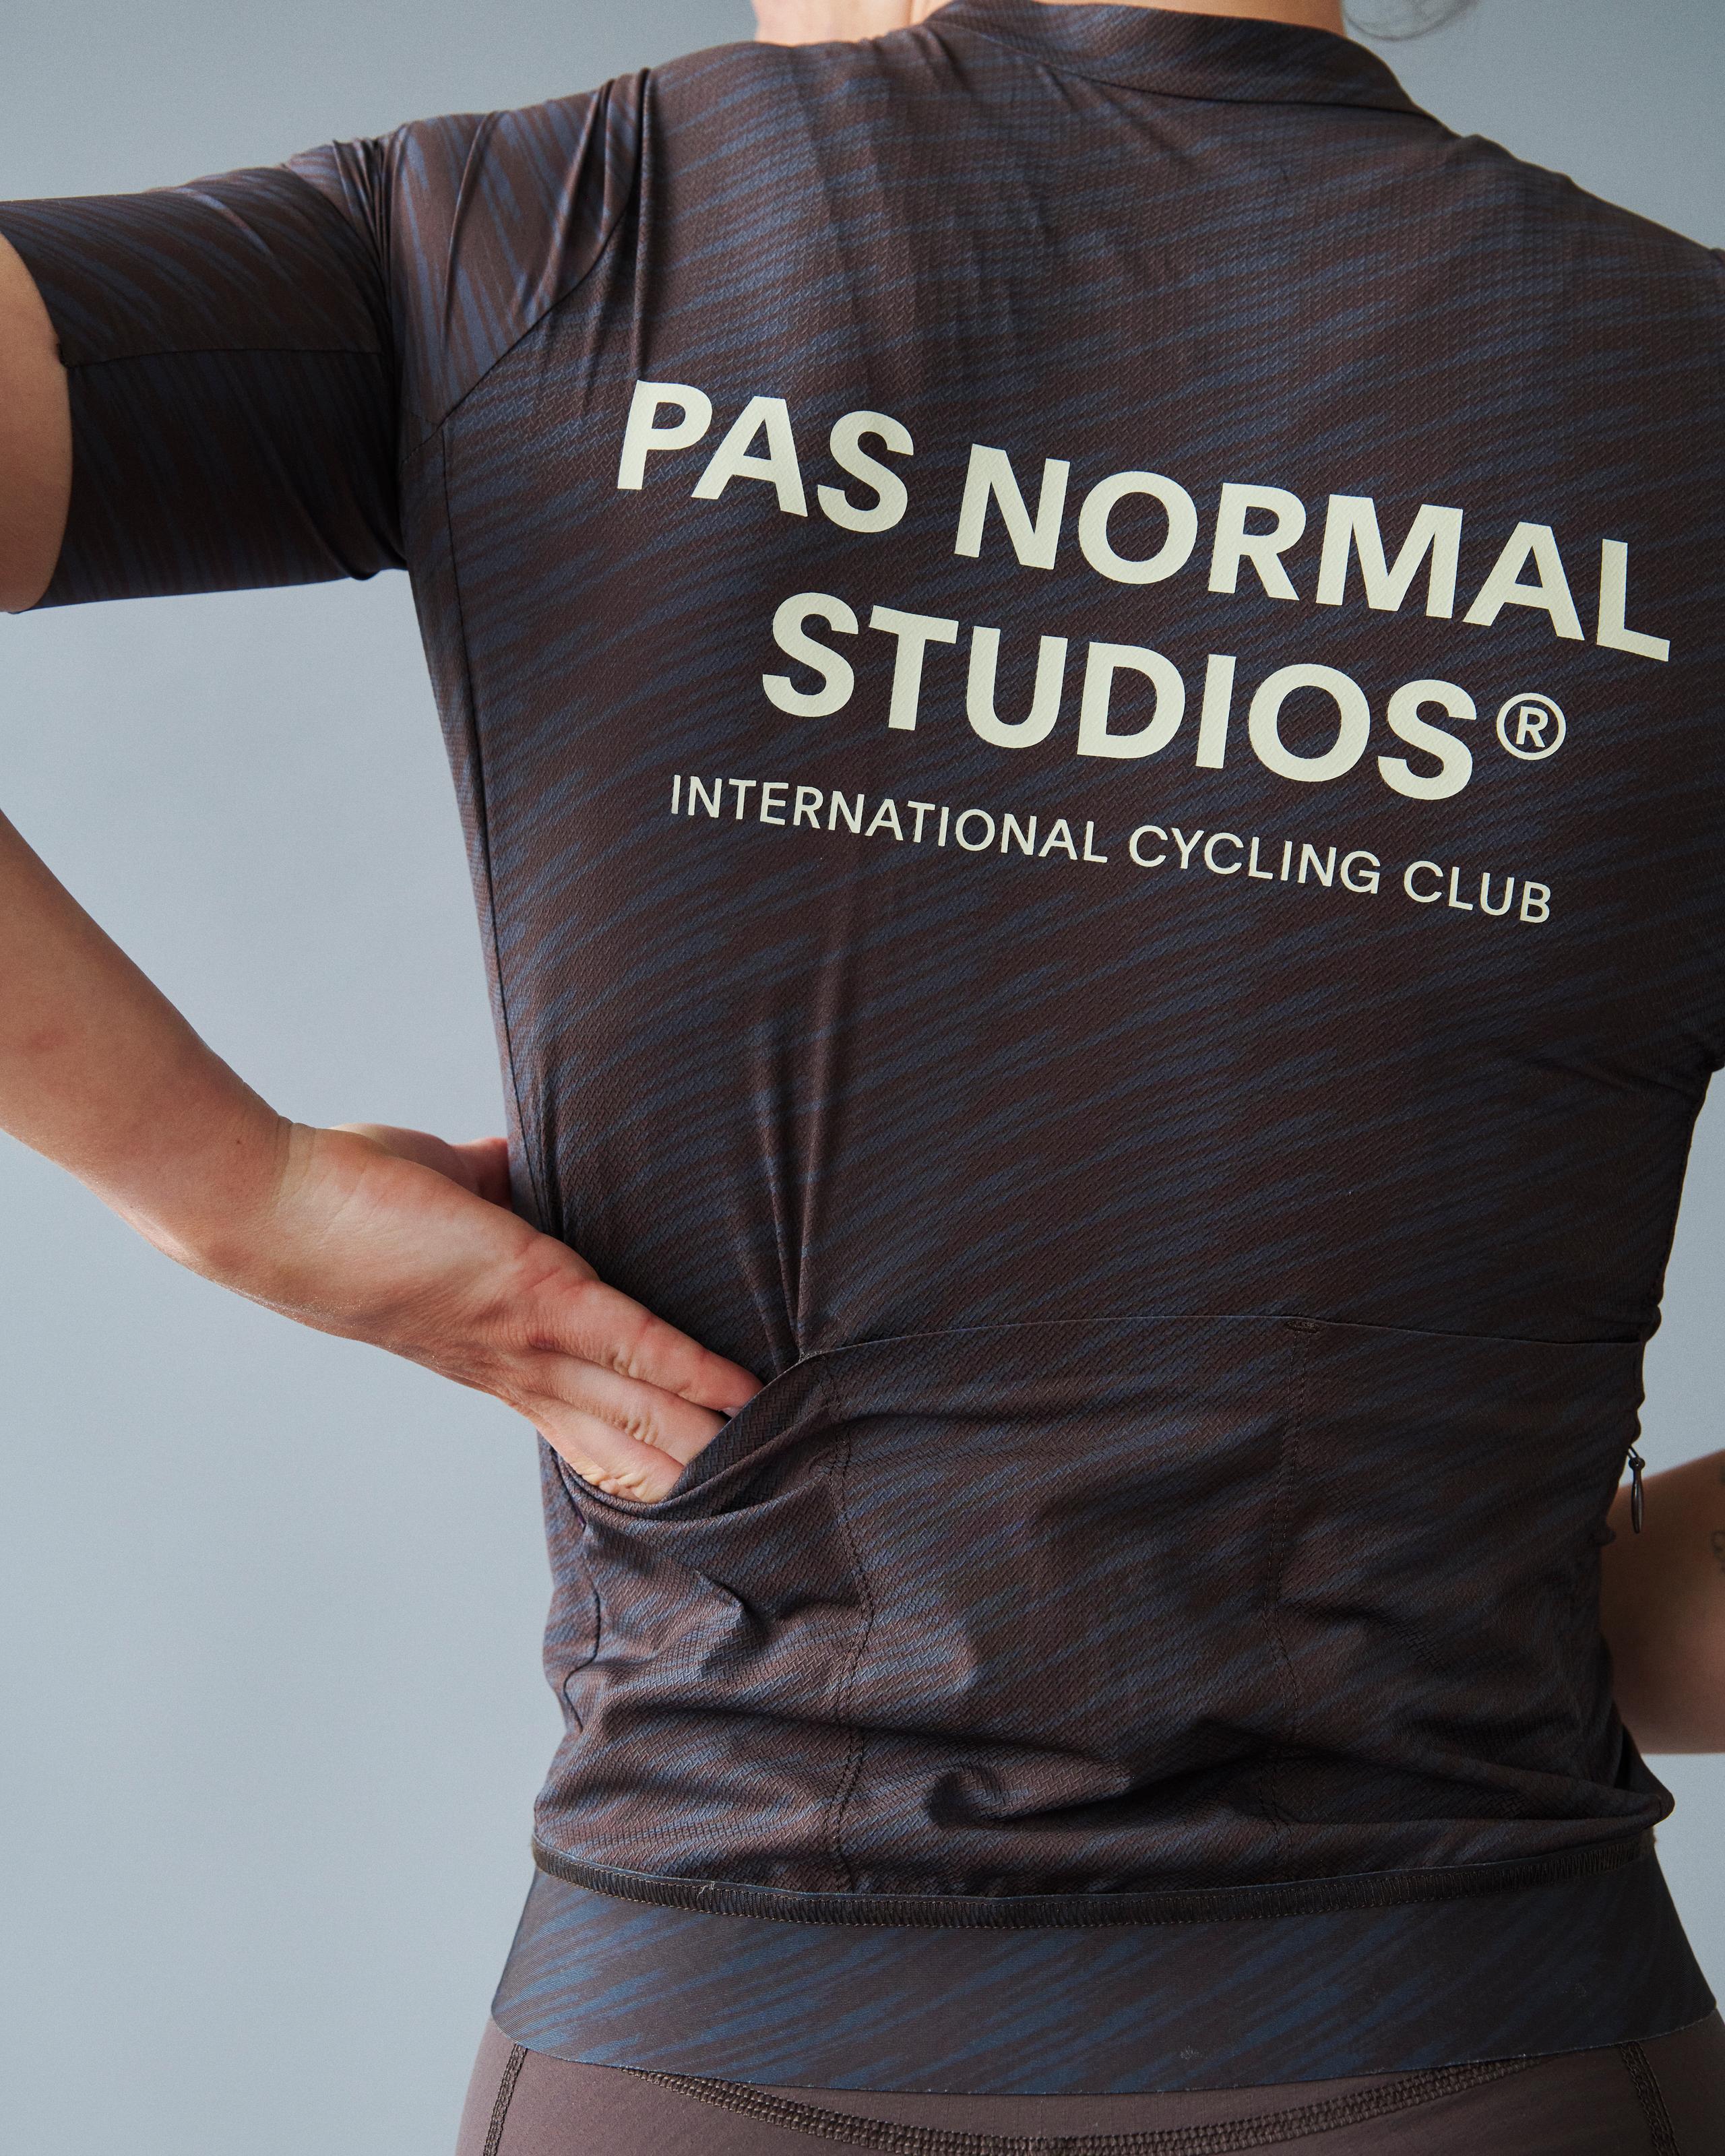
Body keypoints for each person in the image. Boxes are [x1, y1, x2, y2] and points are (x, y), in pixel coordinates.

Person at [2, 0, 1724, 2147]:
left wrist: (232, 1193)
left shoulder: (560, 235)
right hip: (1476, 2022)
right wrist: (1545, 1621)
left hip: (722, 2033)